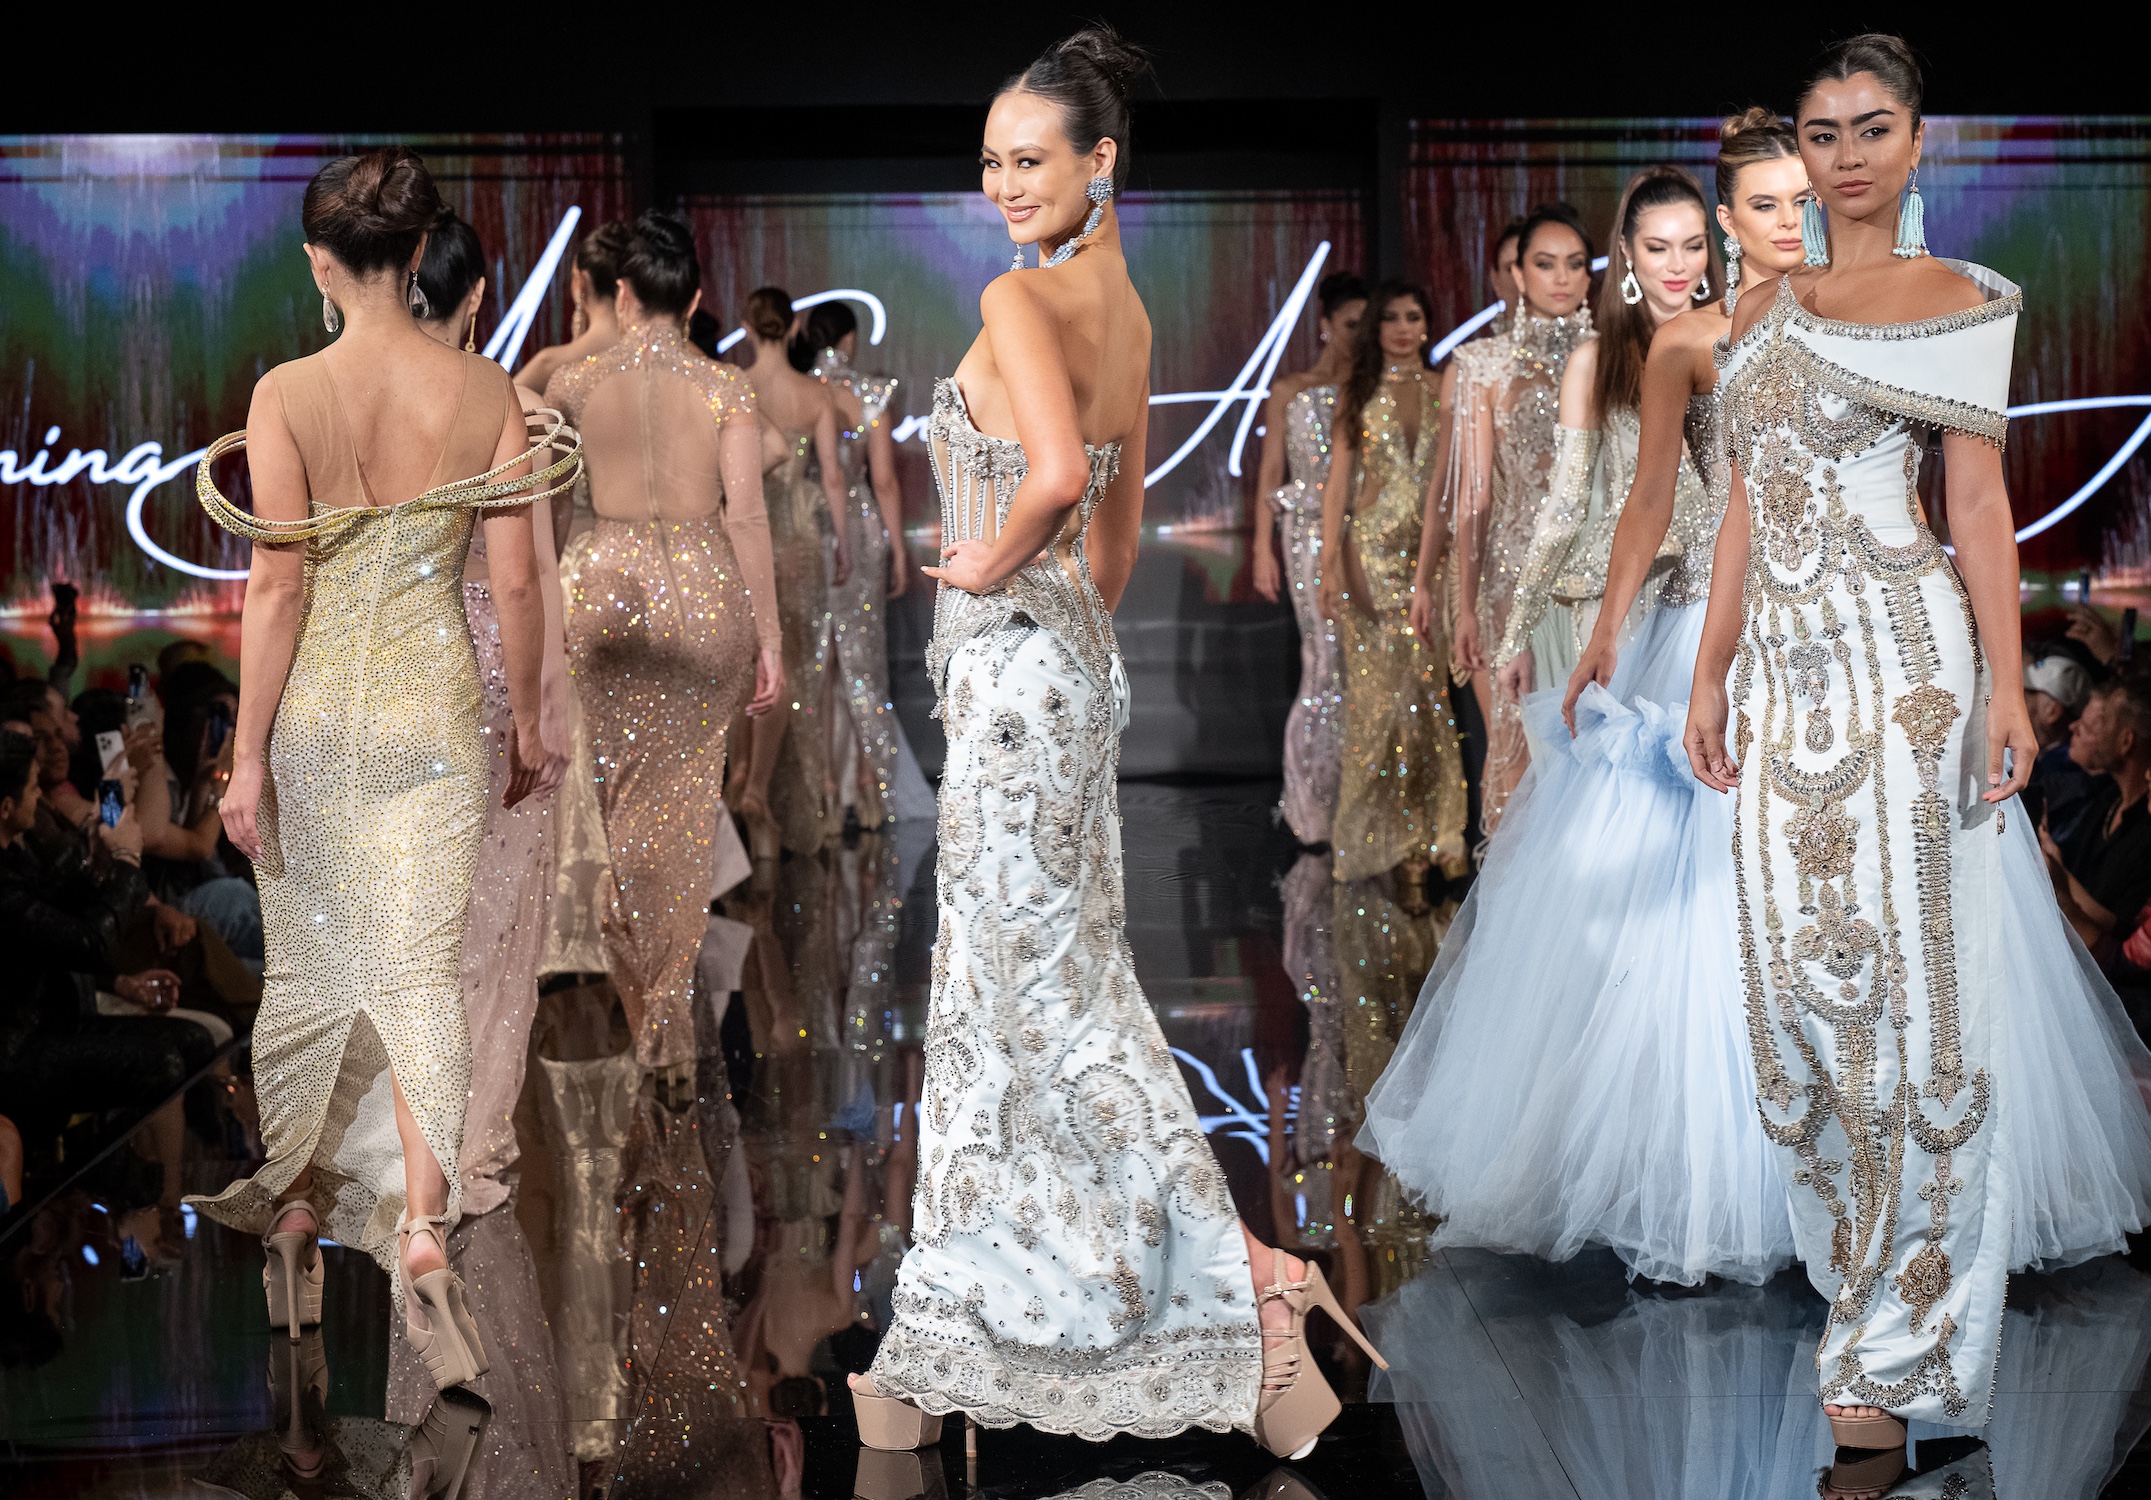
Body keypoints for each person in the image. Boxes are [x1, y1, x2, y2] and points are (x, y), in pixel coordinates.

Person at [846, 27, 1384, 1460]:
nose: (1002, 186)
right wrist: (1060, 632)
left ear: (1100, 161)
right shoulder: (1127, 310)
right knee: (1038, 993)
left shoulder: (1017, 299)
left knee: (1029, 1004)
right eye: (988, 162)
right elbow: (1120, 526)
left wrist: (983, 575)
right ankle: (961, 1328)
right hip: (1068, 680)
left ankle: (1250, 1281)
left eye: (1028, 160)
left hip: (1018, 682)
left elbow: (1058, 483)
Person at [1683, 37, 2151, 1453]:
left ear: (1916, 140)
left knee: (1918, 1009)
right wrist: (1708, 672)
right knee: (1794, 1006)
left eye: (1871, 128)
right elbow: (1744, 504)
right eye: (1822, 133)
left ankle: (1903, 1350)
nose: (1845, 156)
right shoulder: (1758, 305)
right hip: (1781, 690)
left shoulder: (1951, 298)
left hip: (1906, 679)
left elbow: (1976, 504)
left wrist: (2006, 687)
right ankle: (1856, 1293)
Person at [1364, 131, 1810, 1290]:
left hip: (1782, 615)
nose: (1678, 263)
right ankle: (1677, 1160)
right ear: (1628, 255)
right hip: (1669, 619)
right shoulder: (1630, 356)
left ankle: (1799, 1151)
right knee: (1663, 889)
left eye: (1692, 244)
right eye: (1657, 247)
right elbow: (1592, 503)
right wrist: (1532, 631)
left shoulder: (1762, 327)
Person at [186, 147, 576, 1392]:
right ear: (417, 256)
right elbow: (516, 583)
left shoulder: (287, 393)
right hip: (433, 717)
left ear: (317, 263)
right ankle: (420, 1237)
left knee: (313, 980)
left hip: (318, 720)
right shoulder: (484, 390)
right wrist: (529, 725)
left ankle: (296, 1225)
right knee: (420, 981)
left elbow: (276, 588)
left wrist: (245, 759)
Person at [555, 211, 784, 1078]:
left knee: (619, 814)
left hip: (602, 592)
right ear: (692, 300)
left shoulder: (575, 384)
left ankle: (645, 1004)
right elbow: (746, 516)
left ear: (621, 293)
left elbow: (554, 519)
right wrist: (770, 638)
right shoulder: (724, 388)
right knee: (683, 817)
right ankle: (667, 1012)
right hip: (703, 595)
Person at [411, 211, 575, 1215]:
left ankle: (404, 1148)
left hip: (386, 678)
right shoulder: (511, 407)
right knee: (494, 920)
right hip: (484, 669)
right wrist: (540, 703)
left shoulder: (344, 402)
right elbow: (530, 576)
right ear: (477, 295)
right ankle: (465, 1143)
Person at [1442, 203, 1596, 834]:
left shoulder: (1618, 356)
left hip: (1594, 575)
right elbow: (1474, 498)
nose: (1561, 278)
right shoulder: (1483, 364)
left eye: (1575, 264)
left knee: (1594, 745)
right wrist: (1466, 605)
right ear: (1518, 273)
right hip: (1512, 582)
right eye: (1544, 263)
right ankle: (1516, 895)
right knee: (1515, 750)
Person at [1318, 281, 1470, 902]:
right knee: (1383, 703)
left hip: (1435, 561)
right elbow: (1338, 486)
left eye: (1414, 316)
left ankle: (1446, 836)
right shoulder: (1357, 395)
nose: (1404, 328)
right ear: (1376, 329)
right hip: (1372, 557)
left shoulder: (1446, 389)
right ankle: (1401, 843)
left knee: (1432, 698)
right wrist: (1330, 565)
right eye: (1391, 318)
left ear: (1429, 325)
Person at [1252, 270, 1366, 849]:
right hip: (1305, 534)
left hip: (1365, 535)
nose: (1358, 335)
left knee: (1362, 666)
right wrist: (1260, 546)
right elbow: (1272, 470)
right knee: (1322, 661)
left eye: (1367, 324)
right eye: (1350, 324)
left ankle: (1357, 805)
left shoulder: (1375, 389)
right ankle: (1311, 805)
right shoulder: (1292, 389)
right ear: (1325, 325)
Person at [736, 286, 850, 858]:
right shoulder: (815, 394)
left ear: (747, 328)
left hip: (746, 541)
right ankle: (798, 806)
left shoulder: (734, 388)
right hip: (800, 540)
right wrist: (844, 542)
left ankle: (746, 787)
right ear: (792, 328)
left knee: (749, 666)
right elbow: (832, 476)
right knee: (801, 673)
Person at [801, 300, 909, 828]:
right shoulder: (869, 393)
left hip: (809, 525)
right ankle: (867, 785)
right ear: (848, 339)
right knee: (863, 657)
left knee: (816, 659)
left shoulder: (800, 391)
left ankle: (822, 787)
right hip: (861, 528)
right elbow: (883, 479)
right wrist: (899, 548)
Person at [2044, 678, 2151, 951]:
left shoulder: (2146, 831)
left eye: (2105, 721)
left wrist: (2057, 875)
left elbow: (2122, 931)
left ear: (2126, 742)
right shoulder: (2106, 800)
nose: (2077, 728)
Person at [2024, 651, 2102, 845]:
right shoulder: (2044, 758)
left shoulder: (2069, 775)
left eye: (2029, 694)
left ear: (2053, 711)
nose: (2019, 701)